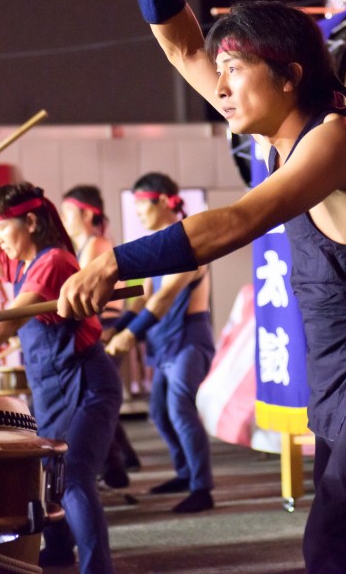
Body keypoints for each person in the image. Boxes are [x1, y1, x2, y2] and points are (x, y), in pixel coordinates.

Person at [59, 0, 346, 571]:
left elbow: (235, 222)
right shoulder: (277, 134)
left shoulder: (337, 140)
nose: (224, 85)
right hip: (344, 372)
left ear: (289, 76)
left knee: (336, 544)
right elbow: (182, 43)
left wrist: (112, 264)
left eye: (237, 70)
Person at [0, 164, 120, 574]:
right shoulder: (19, 264)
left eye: (3, 229)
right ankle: (57, 552)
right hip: (53, 387)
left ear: (31, 222)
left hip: (87, 383)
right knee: (49, 477)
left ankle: (97, 568)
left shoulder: (53, 262)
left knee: (73, 479)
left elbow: (11, 318)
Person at [105, 173, 214, 513]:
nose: (138, 211)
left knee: (180, 408)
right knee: (159, 412)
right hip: (165, 338)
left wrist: (130, 334)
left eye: (142, 203)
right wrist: (116, 327)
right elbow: (143, 297)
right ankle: (185, 472)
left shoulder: (190, 242)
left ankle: (202, 487)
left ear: (165, 201)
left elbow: (165, 297)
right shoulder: (159, 243)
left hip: (189, 338)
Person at [61, 185, 142, 488]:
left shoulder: (96, 246)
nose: (64, 219)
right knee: (101, 399)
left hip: (105, 326)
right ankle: (120, 461)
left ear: (85, 213)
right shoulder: (86, 245)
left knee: (98, 398)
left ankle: (115, 464)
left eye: (68, 212)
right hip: (99, 326)